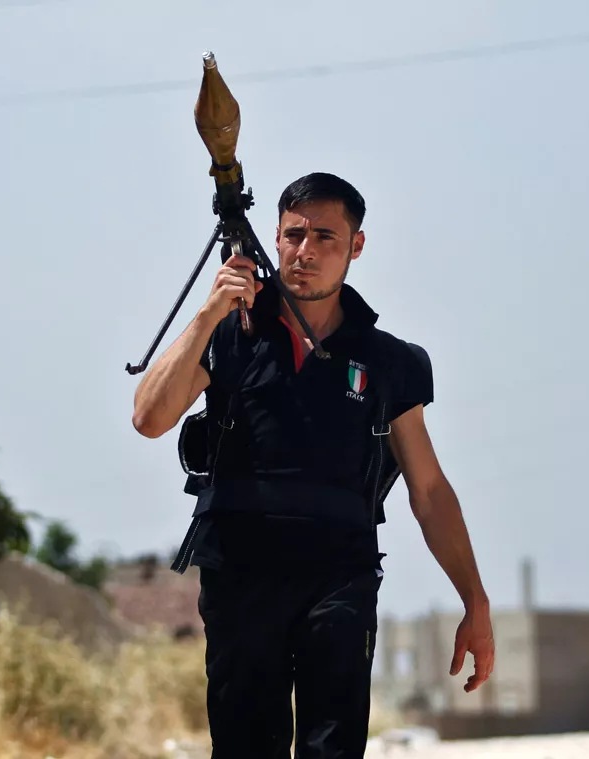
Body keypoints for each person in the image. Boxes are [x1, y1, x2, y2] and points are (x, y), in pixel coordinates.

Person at [132, 172, 495, 757]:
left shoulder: (387, 361)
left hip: (339, 577)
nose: (306, 252)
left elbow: (428, 490)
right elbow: (149, 417)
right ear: (274, 240)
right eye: (294, 235)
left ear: (356, 246)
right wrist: (208, 313)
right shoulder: (232, 334)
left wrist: (473, 600)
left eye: (325, 237)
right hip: (241, 575)